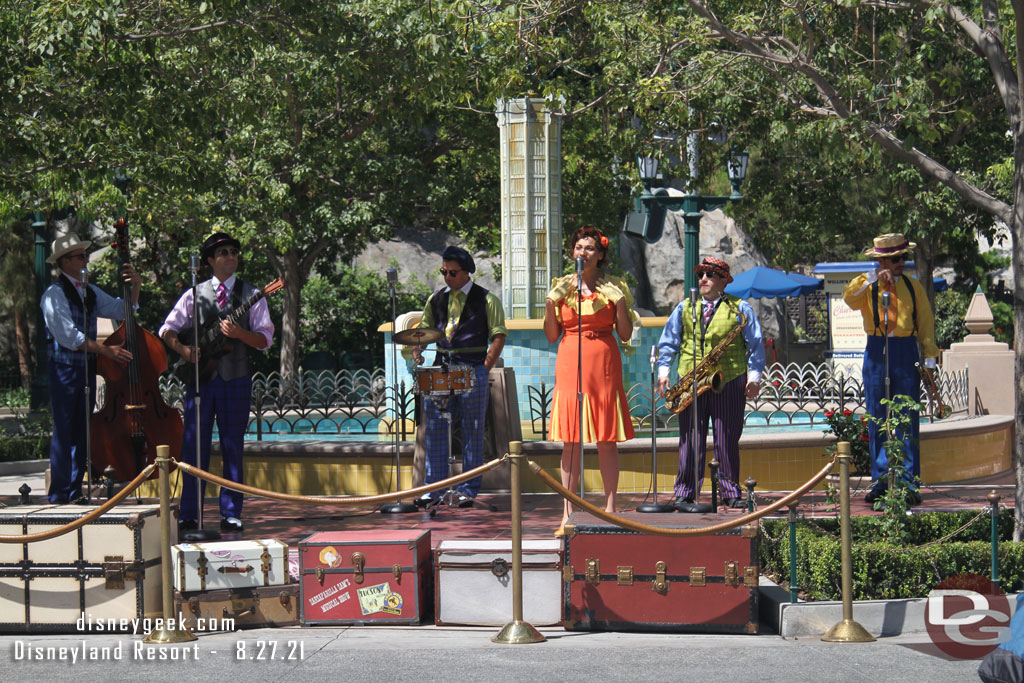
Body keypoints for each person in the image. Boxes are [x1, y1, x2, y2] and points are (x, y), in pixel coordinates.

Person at [159, 233, 274, 532]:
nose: (230, 257)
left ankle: (231, 512)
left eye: (234, 252)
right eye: (223, 252)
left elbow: (265, 339)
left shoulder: (252, 293)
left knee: (233, 446)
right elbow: (167, 330)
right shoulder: (193, 295)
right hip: (201, 380)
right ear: (209, 260)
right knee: (193, 447)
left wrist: (240, 334)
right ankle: (189, 512)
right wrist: (184, 350)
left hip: (236, 379)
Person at [544, 227, 636, 534]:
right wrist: (549, 303)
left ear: (600, 255)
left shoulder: (614, 286)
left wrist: (620, 302)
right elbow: (551, 335)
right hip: (570, 357)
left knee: (606, 437)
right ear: (572, 252)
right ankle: (568, 510)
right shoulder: (561, 287)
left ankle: (611, 508)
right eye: (579, 246)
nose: (583, 252)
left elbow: (625, 334)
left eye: (590, 248)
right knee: (571, 439)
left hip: (604, 360)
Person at [41, 233, 141, 504]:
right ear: (65, 262)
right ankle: (60, 492)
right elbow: (69, 336)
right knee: (65, 429)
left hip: (85, 369)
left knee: (83, 429)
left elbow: (124, 310)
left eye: (85, 255)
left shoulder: (90, 291)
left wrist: (135, 286)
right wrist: (106, 350)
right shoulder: (54, 294)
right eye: (80, 256)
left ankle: (74, 490)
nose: (86, 259)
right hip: (64, 370)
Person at [657, 257, 764, 510]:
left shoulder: (741, 309)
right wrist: (664, 371)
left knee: (726, 437)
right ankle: (685, 491)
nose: (703, 279)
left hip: (729, 378)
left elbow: (756, 345)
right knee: (690, 438)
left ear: (724, 281)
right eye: (701, 274)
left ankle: (730, 491)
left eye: (711, 275)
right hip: (691, 379)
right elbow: (669, 341)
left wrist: (755, 377)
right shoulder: (684, 307)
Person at [842, 233, 938, 506]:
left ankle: (908, 483)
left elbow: (927, 321)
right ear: (882, 260)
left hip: (905, 350)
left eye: (904, 257)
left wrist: (929, 358)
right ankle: (880, 481)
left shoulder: (912, 285)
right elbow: (849, 299)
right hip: (876, 349)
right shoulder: (867, 286)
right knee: (877, 417)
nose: (902, 263)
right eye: (897, 259)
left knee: (907, 418)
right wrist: (872, 278)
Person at [411, 245, 506, 508]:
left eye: (452, 272)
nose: (447, 277)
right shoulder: (436, 299)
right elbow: (424, 331)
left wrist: (484, 368)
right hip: (442, 370)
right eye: (444, 271)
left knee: (473, 431)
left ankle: (468, 488)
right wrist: (418, 349)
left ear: (466, 272)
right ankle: (435, 489)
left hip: (472, 369)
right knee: (436, 429)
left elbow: (498, 336)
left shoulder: (487, 299)